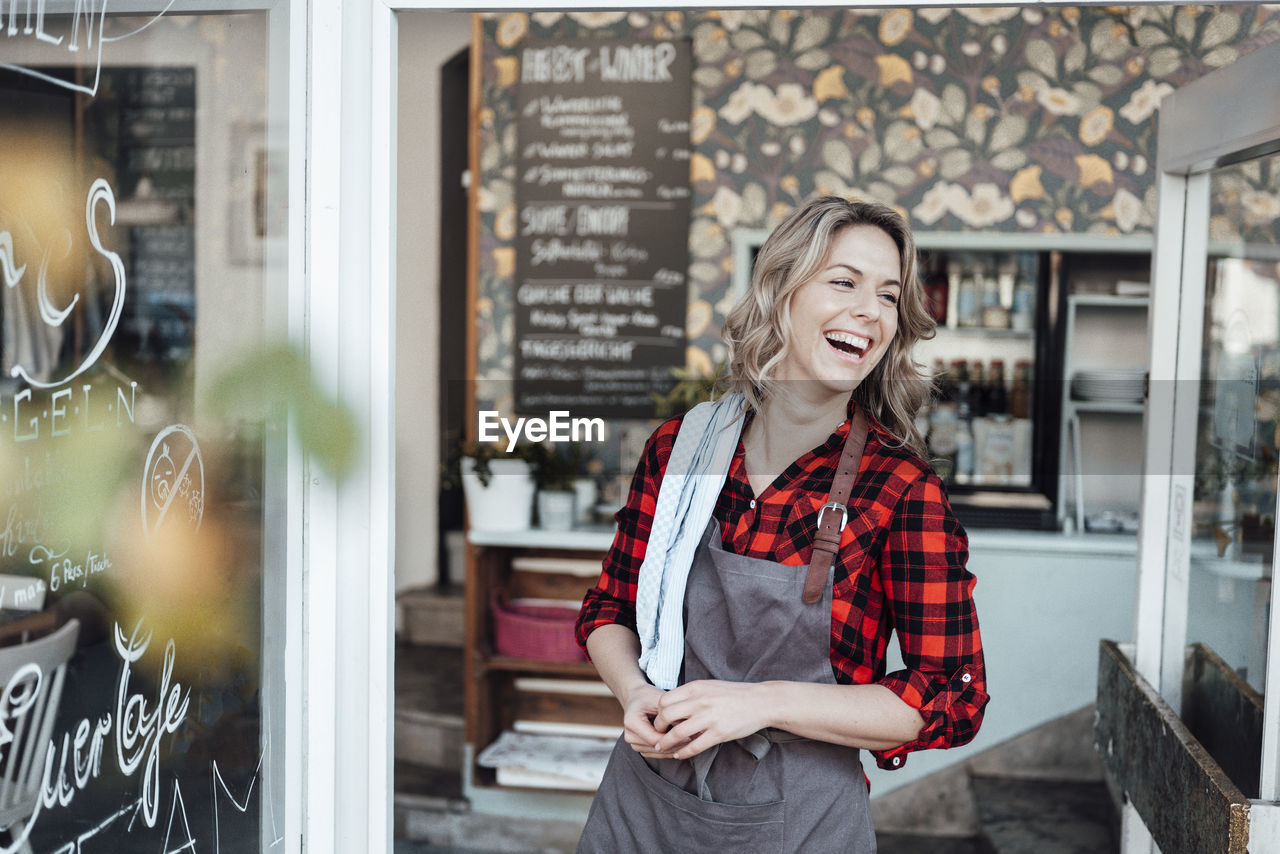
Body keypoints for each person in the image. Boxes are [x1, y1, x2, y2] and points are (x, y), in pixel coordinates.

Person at [574, 195, 989, 852]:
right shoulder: (681, 449)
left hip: (799, 820)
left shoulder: (900, 491)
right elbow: (607, 609)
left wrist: (761, 703)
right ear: (782, 290)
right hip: (643, 802)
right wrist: (634, 695)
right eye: (844, 282)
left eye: (887, 296)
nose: (869, 310)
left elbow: (949, 696)